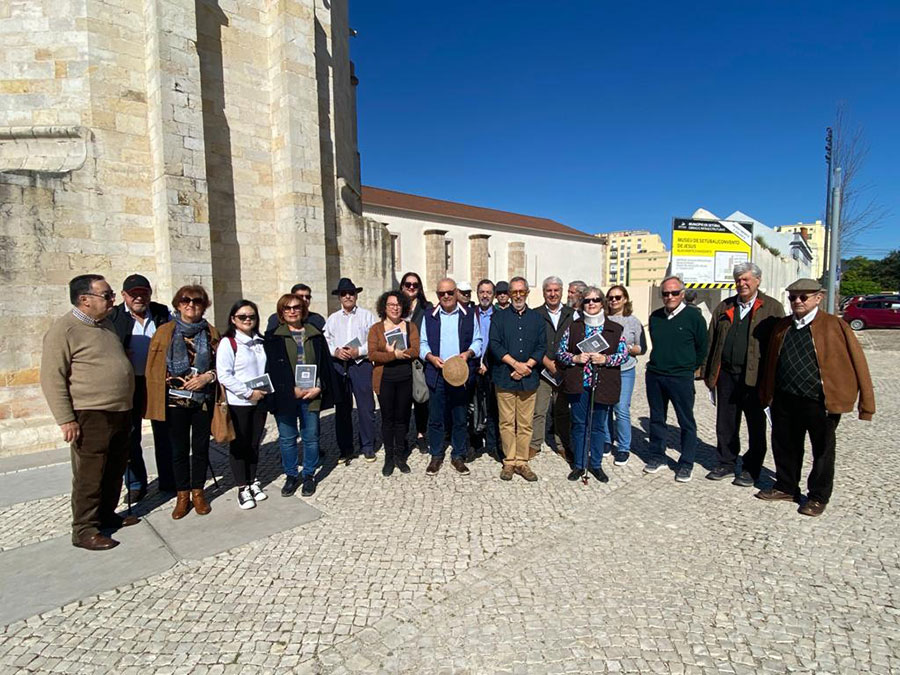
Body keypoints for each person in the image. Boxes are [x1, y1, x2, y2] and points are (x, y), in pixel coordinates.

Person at [756, 279, 875, 516]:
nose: (797, 301)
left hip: (820, 401)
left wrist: (866, 405)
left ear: (818, 298)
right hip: (786, 398)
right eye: (792, 297)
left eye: (803, 297)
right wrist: (767, 394)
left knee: (822, 450)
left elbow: (858, 363)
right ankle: (786, 486)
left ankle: (818, 497)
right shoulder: (783, 326)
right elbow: (770, 363)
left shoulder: (834, 326)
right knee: (785, 445)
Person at [40, 274, 137, 551]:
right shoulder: (65, 330)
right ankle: (84, 529)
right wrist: (66, 419)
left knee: (115, 468)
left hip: (119, 410)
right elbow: (52, 377)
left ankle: (106, 515)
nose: (113, 300)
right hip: (90, 413)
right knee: (90, 473)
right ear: (85, 300)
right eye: (106, 296)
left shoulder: (105, 325)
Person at [702, 263, 784, 486]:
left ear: (758, 280)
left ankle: (751, 468)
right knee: (725, 422)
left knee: (755, 424)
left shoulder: (772, 308)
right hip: (726, 375)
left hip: (755, 377)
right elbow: (711, 341)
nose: (742, 283)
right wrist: (707, 372)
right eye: (738, 280)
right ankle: (726, 462)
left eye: (746, 279)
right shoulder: (724, 307)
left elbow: (778, 346)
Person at [145, 285, 219, 519]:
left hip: (201, 400)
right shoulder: (165, 331)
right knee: (178, 450)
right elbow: (154, 367)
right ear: (178, 304)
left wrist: (207, 377)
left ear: (204, 306)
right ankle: (182, 494)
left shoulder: (210, 332)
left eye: (197, 301)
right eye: (186, 300)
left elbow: (222, 366)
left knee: (200, 448)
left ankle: (198, 492)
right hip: (173, 402)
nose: (191, 305)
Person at [265, 293, 339, 497]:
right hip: (286, 396)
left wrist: (320, 387)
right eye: (287, 308)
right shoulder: (273, 337)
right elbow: (270, 369)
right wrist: (289, 390)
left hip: (311, 394)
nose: (292, 311)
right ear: (281, 312)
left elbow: (324, 366)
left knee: (311, 437)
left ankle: (309, 475)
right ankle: (290, 475)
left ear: (303, 309)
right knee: (287, 438)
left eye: (296, 307)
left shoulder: (314, 334)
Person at [108, 273, 173, 501]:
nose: (139, 298)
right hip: (129, 384)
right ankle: (135, 484)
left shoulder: (161, 313)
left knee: (165, 433)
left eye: (143, 293)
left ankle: (168, 479)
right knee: (130, 435)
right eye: (134, 294)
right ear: (124, 295)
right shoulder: (114, 316)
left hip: (158, 382)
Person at [556, 287, 627, 483]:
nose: (591, 303)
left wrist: (605, 359)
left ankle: (595, 464)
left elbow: (623, 354)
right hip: (579, 384)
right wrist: (575, 357)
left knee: (598, 426)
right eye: (587, 300)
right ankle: (579, 464)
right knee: (579, 425)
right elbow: (560, 353)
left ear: (602, 302)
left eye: (595, 300)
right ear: (582, 303)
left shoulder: (614, 328)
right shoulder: (574, 327)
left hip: (603, 384)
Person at [644, 276, 708, 482]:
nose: (669, 297)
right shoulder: (655, 317)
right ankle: (657, 456)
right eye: (665, 293)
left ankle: (686, 462)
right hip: (656, 375)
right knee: (657, 418)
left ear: (682, 294)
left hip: (681, 377)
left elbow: (702, 348)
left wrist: (688, 367)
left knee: (685, 421)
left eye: (674, 293)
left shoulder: (694, 317)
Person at [420, 277, 483, 476]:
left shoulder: (468, 314)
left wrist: (467, 354)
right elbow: (422, 344)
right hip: (437, 374)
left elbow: (478, 341)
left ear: (456, 292)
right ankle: (436, 455)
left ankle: (458, 455)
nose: (446, 296)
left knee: (459, 417)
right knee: (436, 418)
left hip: (460, 375)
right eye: (441, 293)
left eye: (449, 292)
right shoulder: (429, 315)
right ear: (437, 295)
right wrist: (430, 357)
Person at [489, 277, 546, 481]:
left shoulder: (537, 319)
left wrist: (526, 366)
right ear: (510, 294)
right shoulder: (499, 318)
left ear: (527, 293)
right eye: (514, 292)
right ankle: (509, 461)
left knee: (525, 423)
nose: (518, 296)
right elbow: (494, 344)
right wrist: (515, 365)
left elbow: (541, 347)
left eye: (522, 292)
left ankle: (522, 461)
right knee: (506, 422)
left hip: (528, 378)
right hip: (505, 377)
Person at [216, 300, 269, 510]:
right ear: (233, 319)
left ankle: (252, 479)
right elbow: (224, 376)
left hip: (260, 401)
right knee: (239, 444)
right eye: (242, 316)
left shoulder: (260, 341)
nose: (247, 320)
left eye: (251, 316)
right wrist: (248, 392)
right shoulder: (229, 343)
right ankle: (241, 487)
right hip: (240, 402)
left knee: (254, 443)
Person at [324, 278, 378, 462]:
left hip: (360, 365)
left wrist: (359, 351)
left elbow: (374, 341)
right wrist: (335, 351)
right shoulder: (332, 319)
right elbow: (326, 341)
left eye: (351, 293)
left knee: (366, 407)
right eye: (344, 293)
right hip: (339, 366)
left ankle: (368, 445)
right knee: (342, 408)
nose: (348, 296)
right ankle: (346, 449)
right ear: (339, 297)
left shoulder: (367, 316)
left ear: (356, 295)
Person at [368, 290, 420, 476]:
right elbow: (372, 354)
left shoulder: (410, 326)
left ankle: (400, 456)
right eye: (391, 304)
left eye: (398, 305)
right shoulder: (376, 328)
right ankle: (389, 457)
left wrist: (400, 353)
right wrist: (392, 355)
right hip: (385, 379)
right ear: (384, 307)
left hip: (405, 378)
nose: (395, 308)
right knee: (388, 419)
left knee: (402, 419)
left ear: (403, 306)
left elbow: (415, 350)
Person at [530, 275, 575, 463]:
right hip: (542, 370)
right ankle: (534, 444)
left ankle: (562, 444)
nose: (553, 294)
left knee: (562, 410)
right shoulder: (535, 314)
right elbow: (532, 343)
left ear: (561, 292)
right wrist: (547, 362)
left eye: (556, 290)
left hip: (564, 370)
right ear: (543, 293)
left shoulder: (572, 314)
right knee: (539, 409)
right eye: (549, 290)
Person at [604, 284, 647, 467]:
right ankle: (607, 440)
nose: (614, 300)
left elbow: (642, 348)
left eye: (618, 297)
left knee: (621, 408)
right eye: (611, 297)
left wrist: (626, 349)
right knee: (605, 407)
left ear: (625, 299)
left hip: (625, 369)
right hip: (605, 370)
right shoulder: (602, 319)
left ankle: (623, 447)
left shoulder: (633, 321)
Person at [400, 271, 430, 453]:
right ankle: (402, 437)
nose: (411, 287)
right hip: (400, 360)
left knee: (421, 399)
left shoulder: (427, 308)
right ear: (402, 286)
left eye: (415, 285)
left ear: (419, 289)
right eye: (408, 284)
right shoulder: (395, 307)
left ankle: (421, 434)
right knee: (402, 401)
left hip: (419, 360)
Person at [473, 279, 501, 459]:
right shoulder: (470, 313)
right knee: (473, 407)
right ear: (478, 293)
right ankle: (474, 443)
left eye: (488, 293)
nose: (485, 295)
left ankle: (492, 444)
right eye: (482, 292)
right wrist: (477, 363)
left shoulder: (500, 315)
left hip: (492, 367)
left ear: (494, 295)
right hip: (474, 366)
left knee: (493, 407)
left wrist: (487, 364)